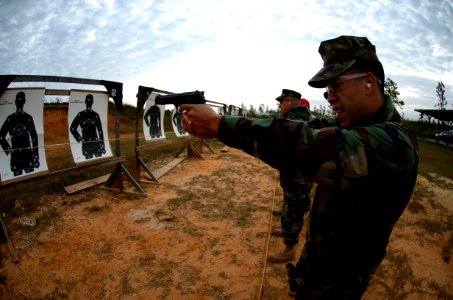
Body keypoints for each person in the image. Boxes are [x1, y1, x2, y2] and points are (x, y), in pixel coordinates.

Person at [179, 35, 419, 299]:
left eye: (337, 85)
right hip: (321, 263)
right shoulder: (353, 125)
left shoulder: (394, 142)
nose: (330, 97)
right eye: (327, 90)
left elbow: (307, 145)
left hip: (339, 282)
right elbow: (300, 130)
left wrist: (220, 126)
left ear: (369, 83)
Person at [267, 89, 313, 264]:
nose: (280, 105)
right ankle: (288, 232)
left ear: (291, 102)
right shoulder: (298, 119)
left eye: (282, 102)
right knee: (293, 206)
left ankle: (289, 249)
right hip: (298, 175)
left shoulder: (295, 121)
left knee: (293, 209)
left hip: (297, 176)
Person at [0, 91, 40, 176]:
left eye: (21, 101)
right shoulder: (10, 118)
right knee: (18, 176)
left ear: (24, 102)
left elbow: (34, 136)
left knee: (30, 177)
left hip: (27, 153)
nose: (19, 104)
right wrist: (9, 150)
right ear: (15, 102)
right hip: (16, 154)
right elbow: (1, 136)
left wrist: (36, 156)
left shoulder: (28, 117)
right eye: (18, 101)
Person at [70, 94, 106, 159]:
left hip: (96, 143)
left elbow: (100, 131)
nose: (89, 103)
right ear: (85, 102)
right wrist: (80, 138)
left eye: (90, 101)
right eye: (88, 101)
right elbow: (72, 128)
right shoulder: (81, 115)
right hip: (86, 144)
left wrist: (102, 145)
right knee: (89, 161)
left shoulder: (95, 115)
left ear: (92, 102)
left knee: (99, 160)